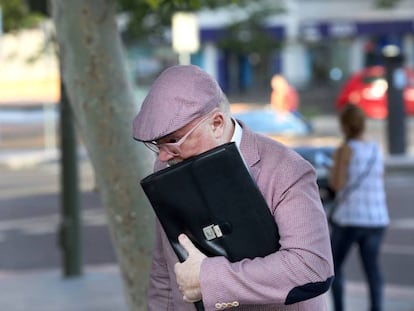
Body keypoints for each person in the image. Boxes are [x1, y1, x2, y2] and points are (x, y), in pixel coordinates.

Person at [132, 65, 334, 310]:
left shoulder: (287, 168)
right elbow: (164, 268)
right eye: (157, 144)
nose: (163, 156)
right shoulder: (166, 166)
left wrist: (207, 278)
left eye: (173, 141)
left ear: (216, 123)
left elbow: (310, 266)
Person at [328, 104, 389, 311]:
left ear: (344, 126)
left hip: (349, 219)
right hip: (377, 219)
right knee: (372, 269)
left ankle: (339, 308)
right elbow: (379, 178)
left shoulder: (345, 150)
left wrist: (333, 168)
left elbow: (337, 185)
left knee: (334, 267)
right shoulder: (375, 149)